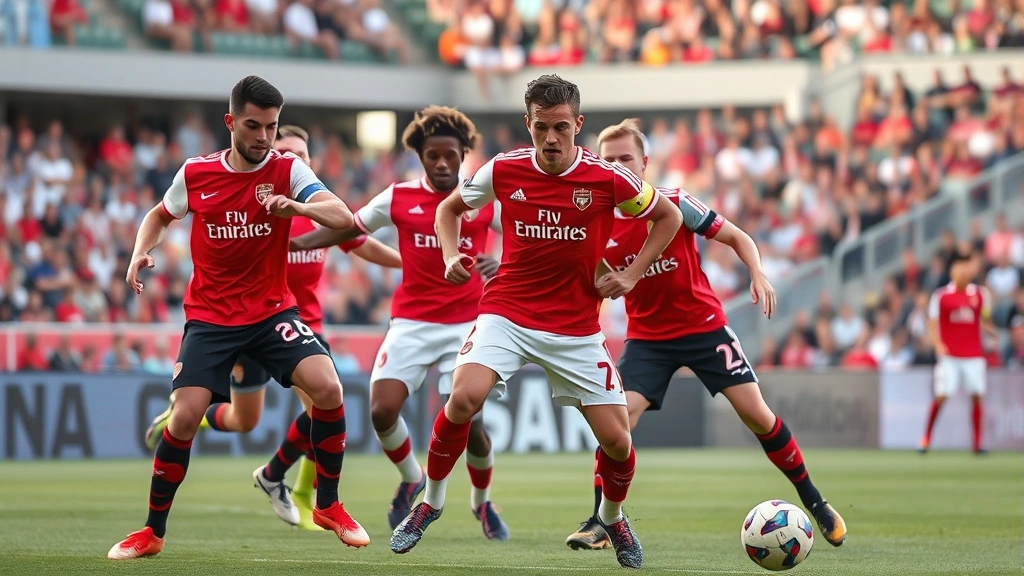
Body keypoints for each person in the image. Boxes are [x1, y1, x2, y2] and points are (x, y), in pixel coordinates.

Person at [388, 75, 683, 570]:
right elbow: (448, 209)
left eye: (561, 128)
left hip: (575, 327)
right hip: (507, 311)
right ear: (528, 124)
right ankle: (430, 502)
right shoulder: (504, 169)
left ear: (578, 125)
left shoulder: (607, 179)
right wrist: (446, 255)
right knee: (462, 396)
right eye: (541, 127)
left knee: (617, 441)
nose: (550, 139)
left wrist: (632, 275)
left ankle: (612, 516)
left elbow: (669, 217)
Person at [107, 76, 369, 560]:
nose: (264, 138)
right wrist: (139, 252)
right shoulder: (197, 173)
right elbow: (159, 215)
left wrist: (295, 205)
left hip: (272, 313)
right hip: (210, 318)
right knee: (185, 417)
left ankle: (328, 505)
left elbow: (341, 216)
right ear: (230, 122)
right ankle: (151, 532)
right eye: (253, 126)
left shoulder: (287, 169)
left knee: (329, 386)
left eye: (271, 127)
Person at [562, 118, 848, 553]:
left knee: (757, 415)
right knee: (616, 425)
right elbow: (594, 281)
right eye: (609, 160)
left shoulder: (674, 202)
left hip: (703, 328)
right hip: (647, 340)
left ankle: (815, 501)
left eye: (626, 158)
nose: (618, 165)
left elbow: (737, 236)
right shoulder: (597, 223)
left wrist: (757, 273)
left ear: (644, 163)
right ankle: (601, 520)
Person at [142, 124, 402, 531]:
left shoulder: (310, 209)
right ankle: (206, 434)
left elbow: (358, 239)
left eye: (301, 155)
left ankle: (291, 486)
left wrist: (408, 264)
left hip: (291, 320)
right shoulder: (256, 199)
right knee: (246, 420)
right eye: (286, 152)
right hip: (237, 320)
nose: (292, 160)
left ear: (310, 165)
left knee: (323, 402)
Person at [290, 106, 510, 540]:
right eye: (434, 156)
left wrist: (500, 262)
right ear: (421, 156)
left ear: (465, 153)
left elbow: (528, 239)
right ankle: (412, 478)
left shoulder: (483, 200)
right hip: (410, 321)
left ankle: (482, 503)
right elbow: (350, 229)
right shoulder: (398, 197)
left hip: (469, 325)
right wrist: (297, 240)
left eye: (451, 155)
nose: (443, 163)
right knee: (381, 410)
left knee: (474, 427)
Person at [920, 249, 995, 454]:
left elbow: (984, 319)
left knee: (977, 395)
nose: (962, 270)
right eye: (958, 266)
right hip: (950, 356)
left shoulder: (981, 295)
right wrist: (937, 344)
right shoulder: (941, 296)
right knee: (942, 395)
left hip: (973, 354)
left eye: (965, 265)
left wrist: (990, 330)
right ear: (953, 270)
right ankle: (925, 439)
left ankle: (977, 445)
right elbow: (933, 324)